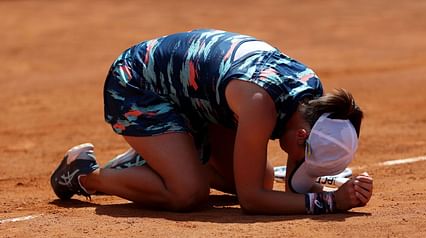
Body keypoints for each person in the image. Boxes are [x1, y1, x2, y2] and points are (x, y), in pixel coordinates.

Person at [51, 28, 373, 215]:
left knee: (255, 178)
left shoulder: (310, 96)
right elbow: (252, 201)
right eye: (304, 159)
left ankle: (166, 156)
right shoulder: (261, 107)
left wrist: (338, 191)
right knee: (189, 194)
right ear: (302, 136)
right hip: (137, 84)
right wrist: (330, 203)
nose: (298, 164)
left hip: (195, 98)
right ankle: (84, 175)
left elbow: (290, 188)